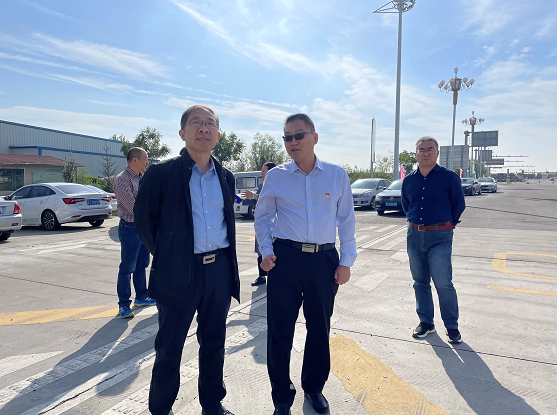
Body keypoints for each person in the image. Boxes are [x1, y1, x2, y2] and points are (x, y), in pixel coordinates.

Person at [134, 105, 239, 415]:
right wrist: (168, 256)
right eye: (196, 123)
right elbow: (144, 220)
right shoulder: (161, 173)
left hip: (218, 271)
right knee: (169, 347)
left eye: (210, 124)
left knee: (214, 342)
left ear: (218, 135)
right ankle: (161, 408)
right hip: (178, 272)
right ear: (182, 133)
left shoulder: (226, 176)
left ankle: (212, 404)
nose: (203, 128)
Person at [255, 114, 356, 415]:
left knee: (319, 328)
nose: (293, 142)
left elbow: (346, 221)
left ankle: (313, 387)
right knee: (280, 330)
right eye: (287, 137)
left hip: (323, 260)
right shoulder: (276, 177)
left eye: (299, 135)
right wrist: (265, 251)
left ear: (315, 137)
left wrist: (346, 261)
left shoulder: (336, 175)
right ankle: (281, 397)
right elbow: (263, 217)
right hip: (285, 259)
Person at [401, 136, 466, 344]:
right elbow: (407, 205)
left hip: (440, 236)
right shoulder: (409, 180)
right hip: (414, 235)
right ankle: (426, 323)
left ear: (437, 153)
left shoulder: (449, 177)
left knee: (443, 282)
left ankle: (452, 326)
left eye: (430, 149)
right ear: (416, 154)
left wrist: (447, 224)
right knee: (420, 282)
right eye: (421, 150)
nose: (426, 153)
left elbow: (458, 204)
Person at [113, 147, 155, 318]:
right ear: (135, 160)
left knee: (141, 264)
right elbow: (133, 207)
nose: (147, 162)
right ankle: (124, 305)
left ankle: (141, 297)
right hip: (130, 227)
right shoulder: (122, 179)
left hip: (143, 228)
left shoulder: (142, 178)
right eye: (145, 158)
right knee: (127, 267)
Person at [241, 161, 276, 286]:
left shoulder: (277, 185)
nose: (262, 173)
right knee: (260, 250)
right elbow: (255, 200)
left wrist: (255, 196)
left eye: (263, 170)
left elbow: (266, 199)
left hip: (274, 225)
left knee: (273, 251)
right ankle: (261, 277)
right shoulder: (262, 185)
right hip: (261, 224)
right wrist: (241, 200)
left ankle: (274, 276)